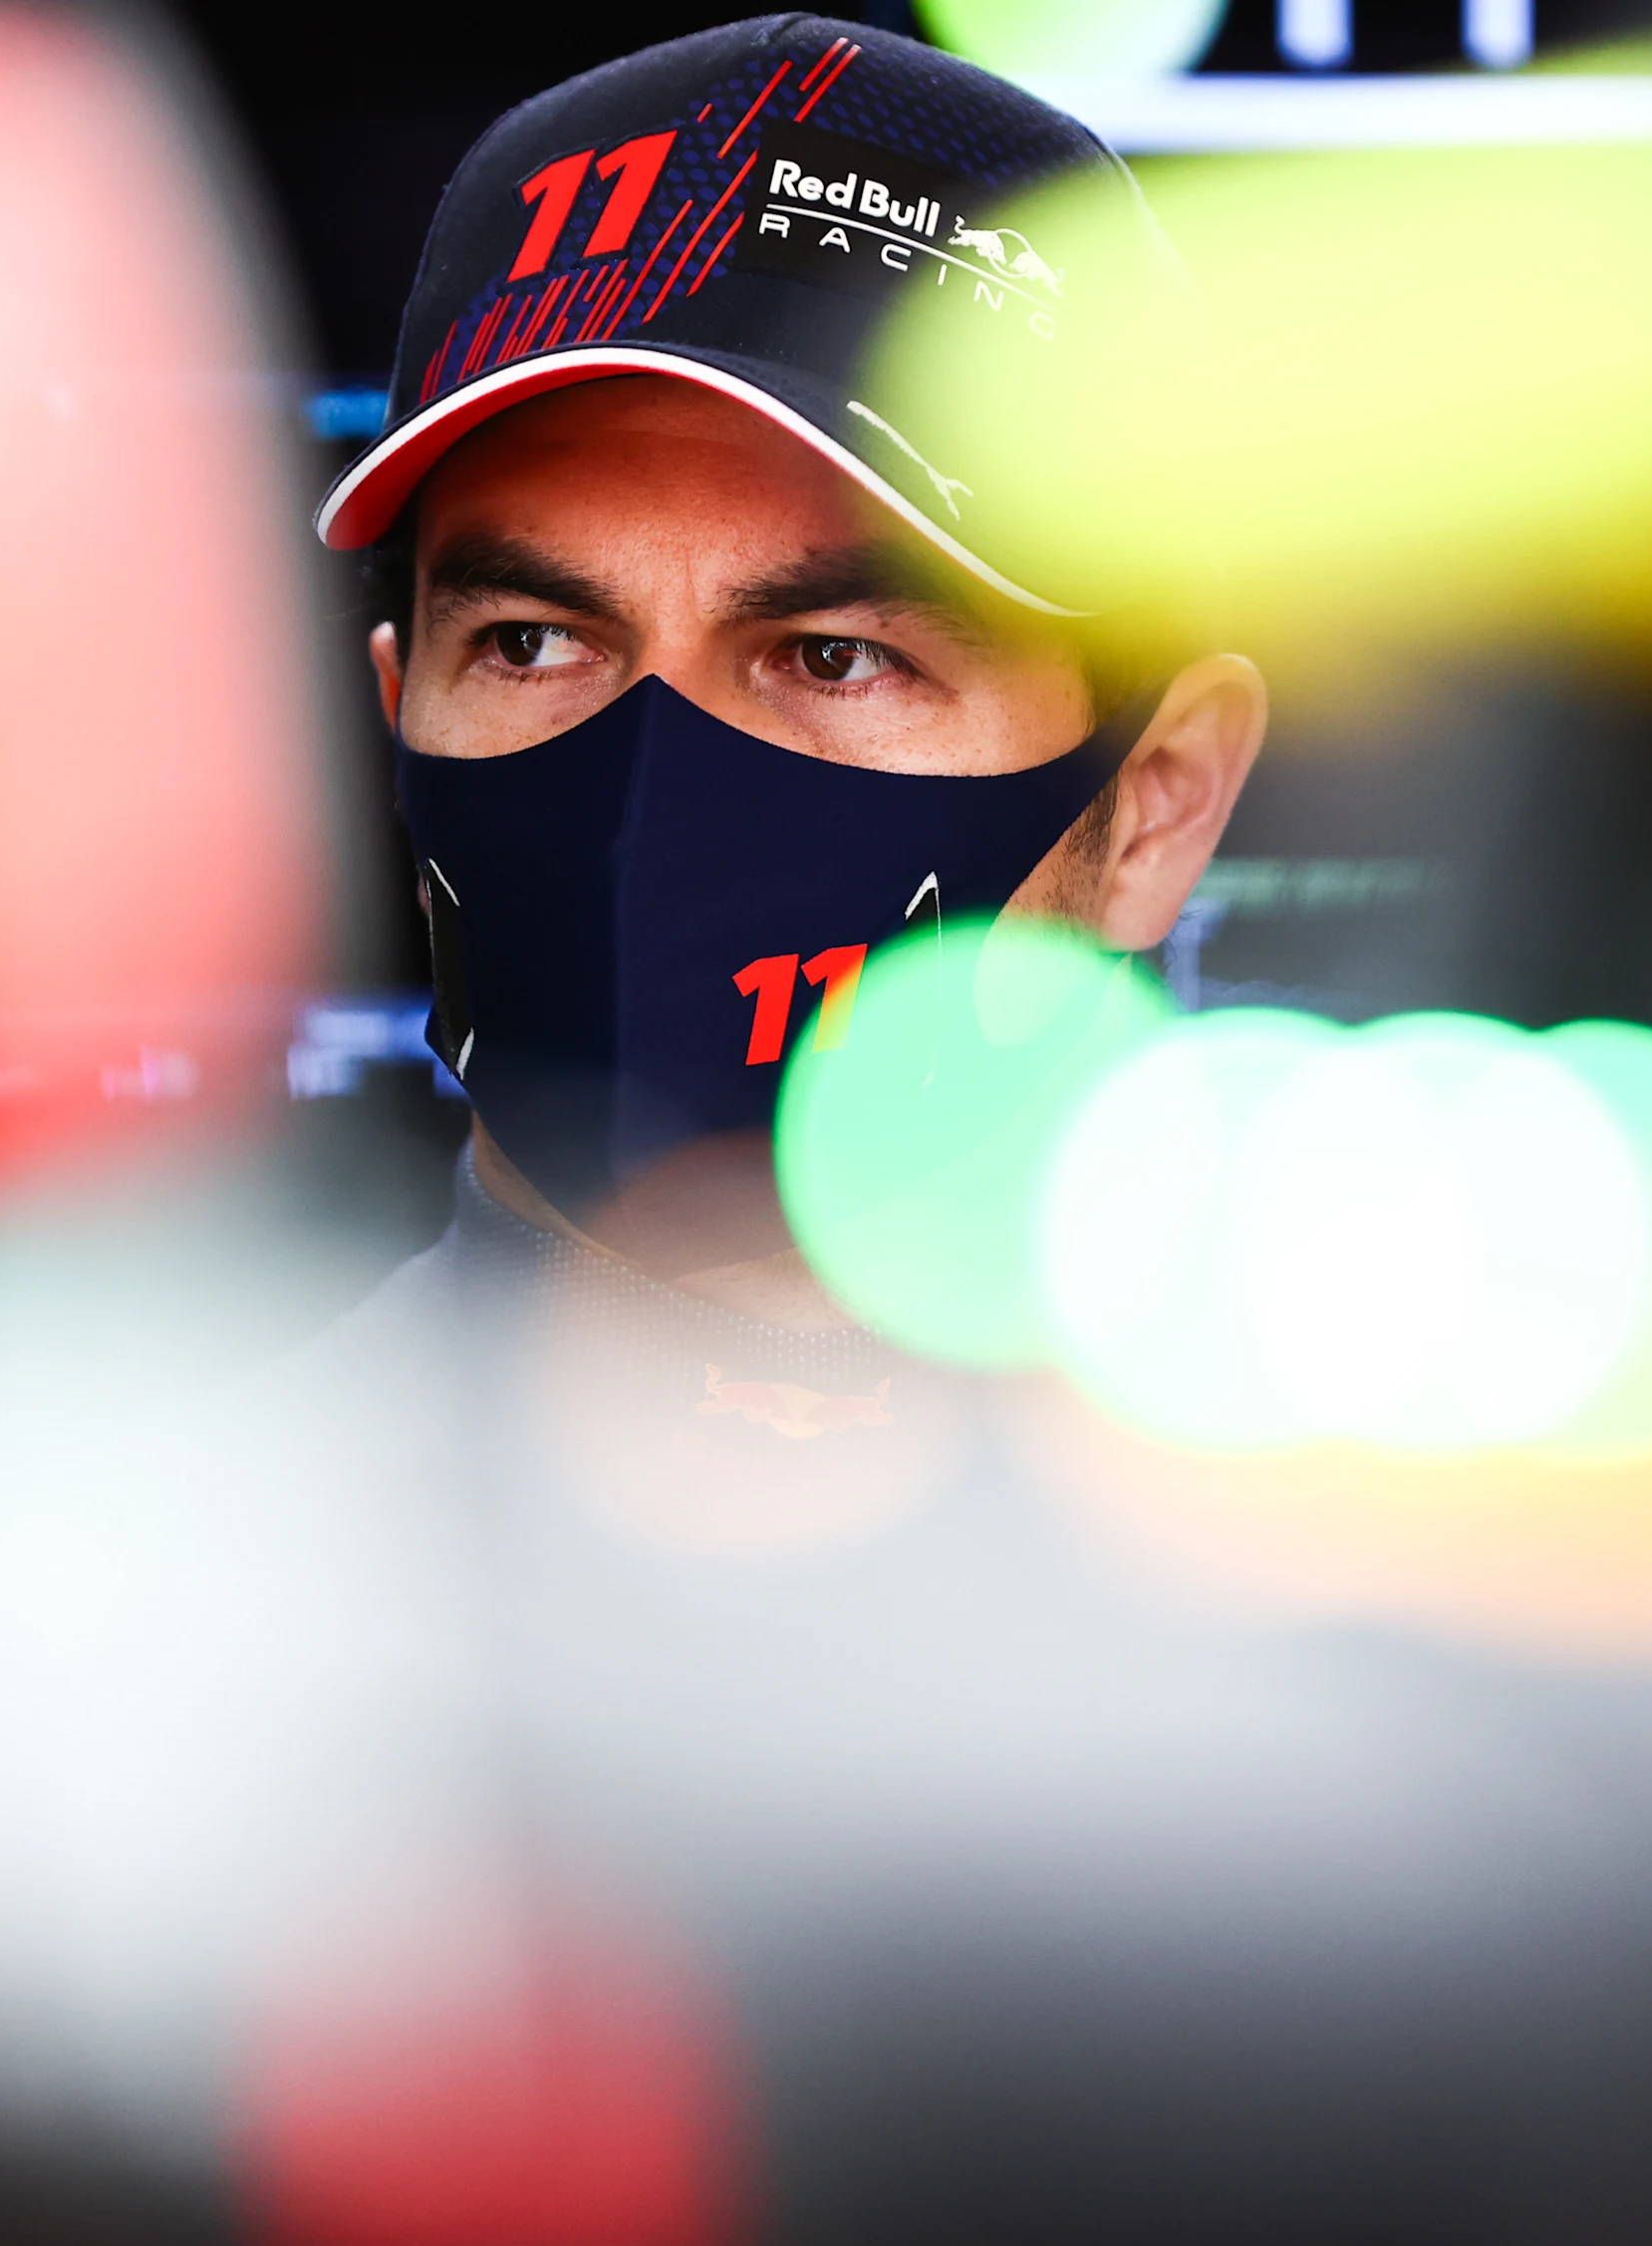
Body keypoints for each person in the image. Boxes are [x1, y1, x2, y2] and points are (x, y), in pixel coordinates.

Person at [318, 14, 1263, 1389]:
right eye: (531, 644)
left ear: (1160, 807)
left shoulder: (1397, 1520)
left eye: (836, 657)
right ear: (401, 719)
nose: (650, 806)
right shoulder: (162, 1528)